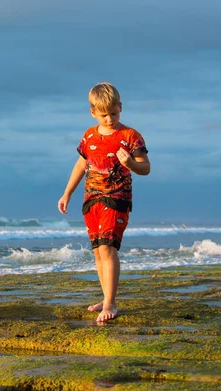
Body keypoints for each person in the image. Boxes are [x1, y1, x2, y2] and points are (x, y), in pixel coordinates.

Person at [58, 82, 150, 323]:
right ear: (93, 113)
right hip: (91, 199)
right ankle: (106, 296)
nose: (109, 119)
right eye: (104, 115)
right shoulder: (89, 135)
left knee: (109, 248)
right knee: (98, 251)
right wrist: (67, 193)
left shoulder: (130, 136)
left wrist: (131, 164)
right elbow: (81, 165)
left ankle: (110, 302)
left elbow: (146, 167)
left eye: (114, 113)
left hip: (116, 197)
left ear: (121, 107)